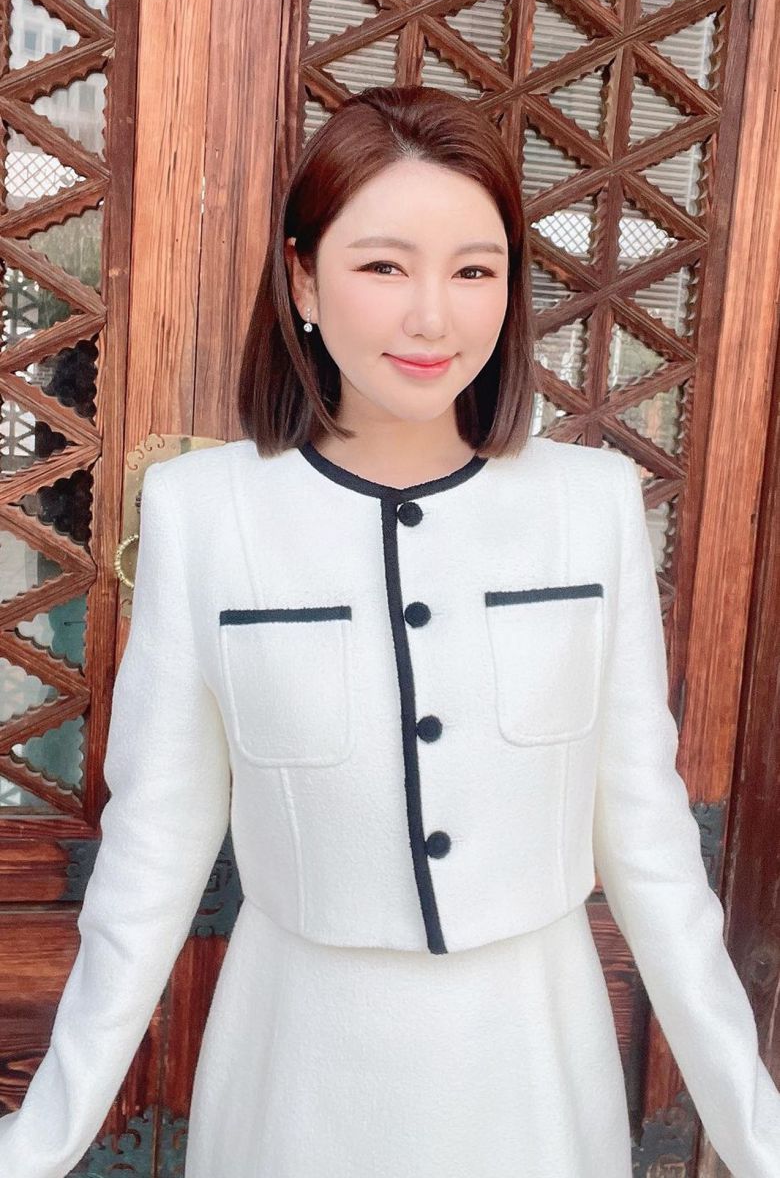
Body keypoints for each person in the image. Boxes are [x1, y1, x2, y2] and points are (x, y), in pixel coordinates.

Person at [0, 83, 778, 1178]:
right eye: (383, 266)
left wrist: (758, 1135)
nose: (432, 318)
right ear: (303, 277)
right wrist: (38, 1142)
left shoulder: (591, 506)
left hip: (533, 1075)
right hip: (296, 1078)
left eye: (474, 270)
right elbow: (152, 855)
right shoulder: (206, 515)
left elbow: (649, 846)